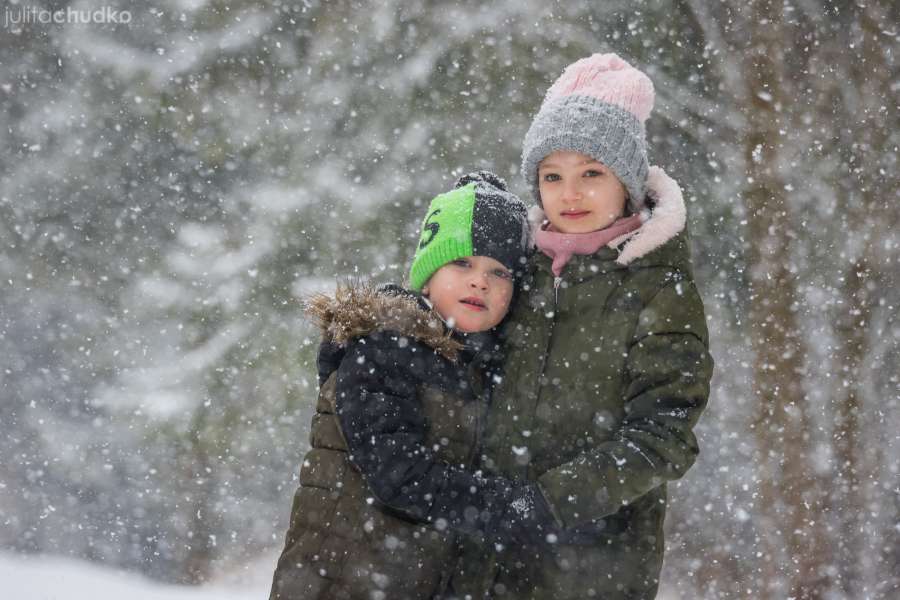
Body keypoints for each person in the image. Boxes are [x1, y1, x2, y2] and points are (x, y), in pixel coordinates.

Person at [450, 53, 715, 599]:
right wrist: (385, 335)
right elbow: (454, 352)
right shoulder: (514, 273)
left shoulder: (657, 287)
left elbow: (665, 435)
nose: (570, 194)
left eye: (591, 173)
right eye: (553, 176)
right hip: (481, 560)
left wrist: (548, 503)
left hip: (593, 568)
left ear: (626, 183)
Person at [269, 171, 564, 600]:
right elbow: (400, 474)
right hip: (341, 580)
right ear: (427, 274)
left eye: (500, 273)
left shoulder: (483, 371)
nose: (480, 280)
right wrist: (509, 505)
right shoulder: (382, 349)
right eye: (462, 262)